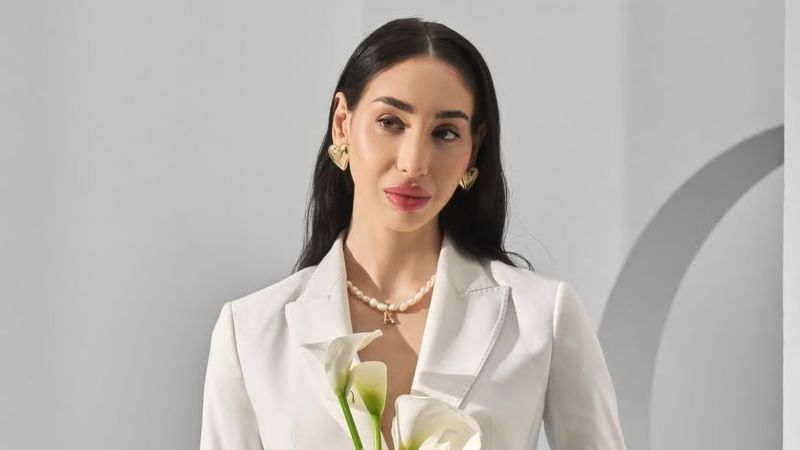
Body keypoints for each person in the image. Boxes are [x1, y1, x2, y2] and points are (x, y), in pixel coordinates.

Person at [199, 17, 626, 450]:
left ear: (473, 148)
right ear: (342, 123)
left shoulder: (541, 318)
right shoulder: (250, 331)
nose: (414, 163)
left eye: (445, 133)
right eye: (391, 122)